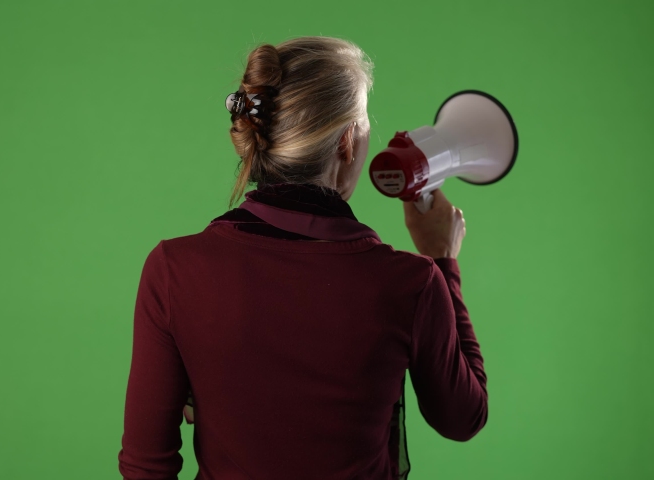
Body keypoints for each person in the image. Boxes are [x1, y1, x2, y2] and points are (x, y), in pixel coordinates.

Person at [118, 36, 487, 480]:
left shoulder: (173, 269)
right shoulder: (410, 283)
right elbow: (463, 417)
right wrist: (441, 262)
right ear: (348, 141)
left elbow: (146, 467)